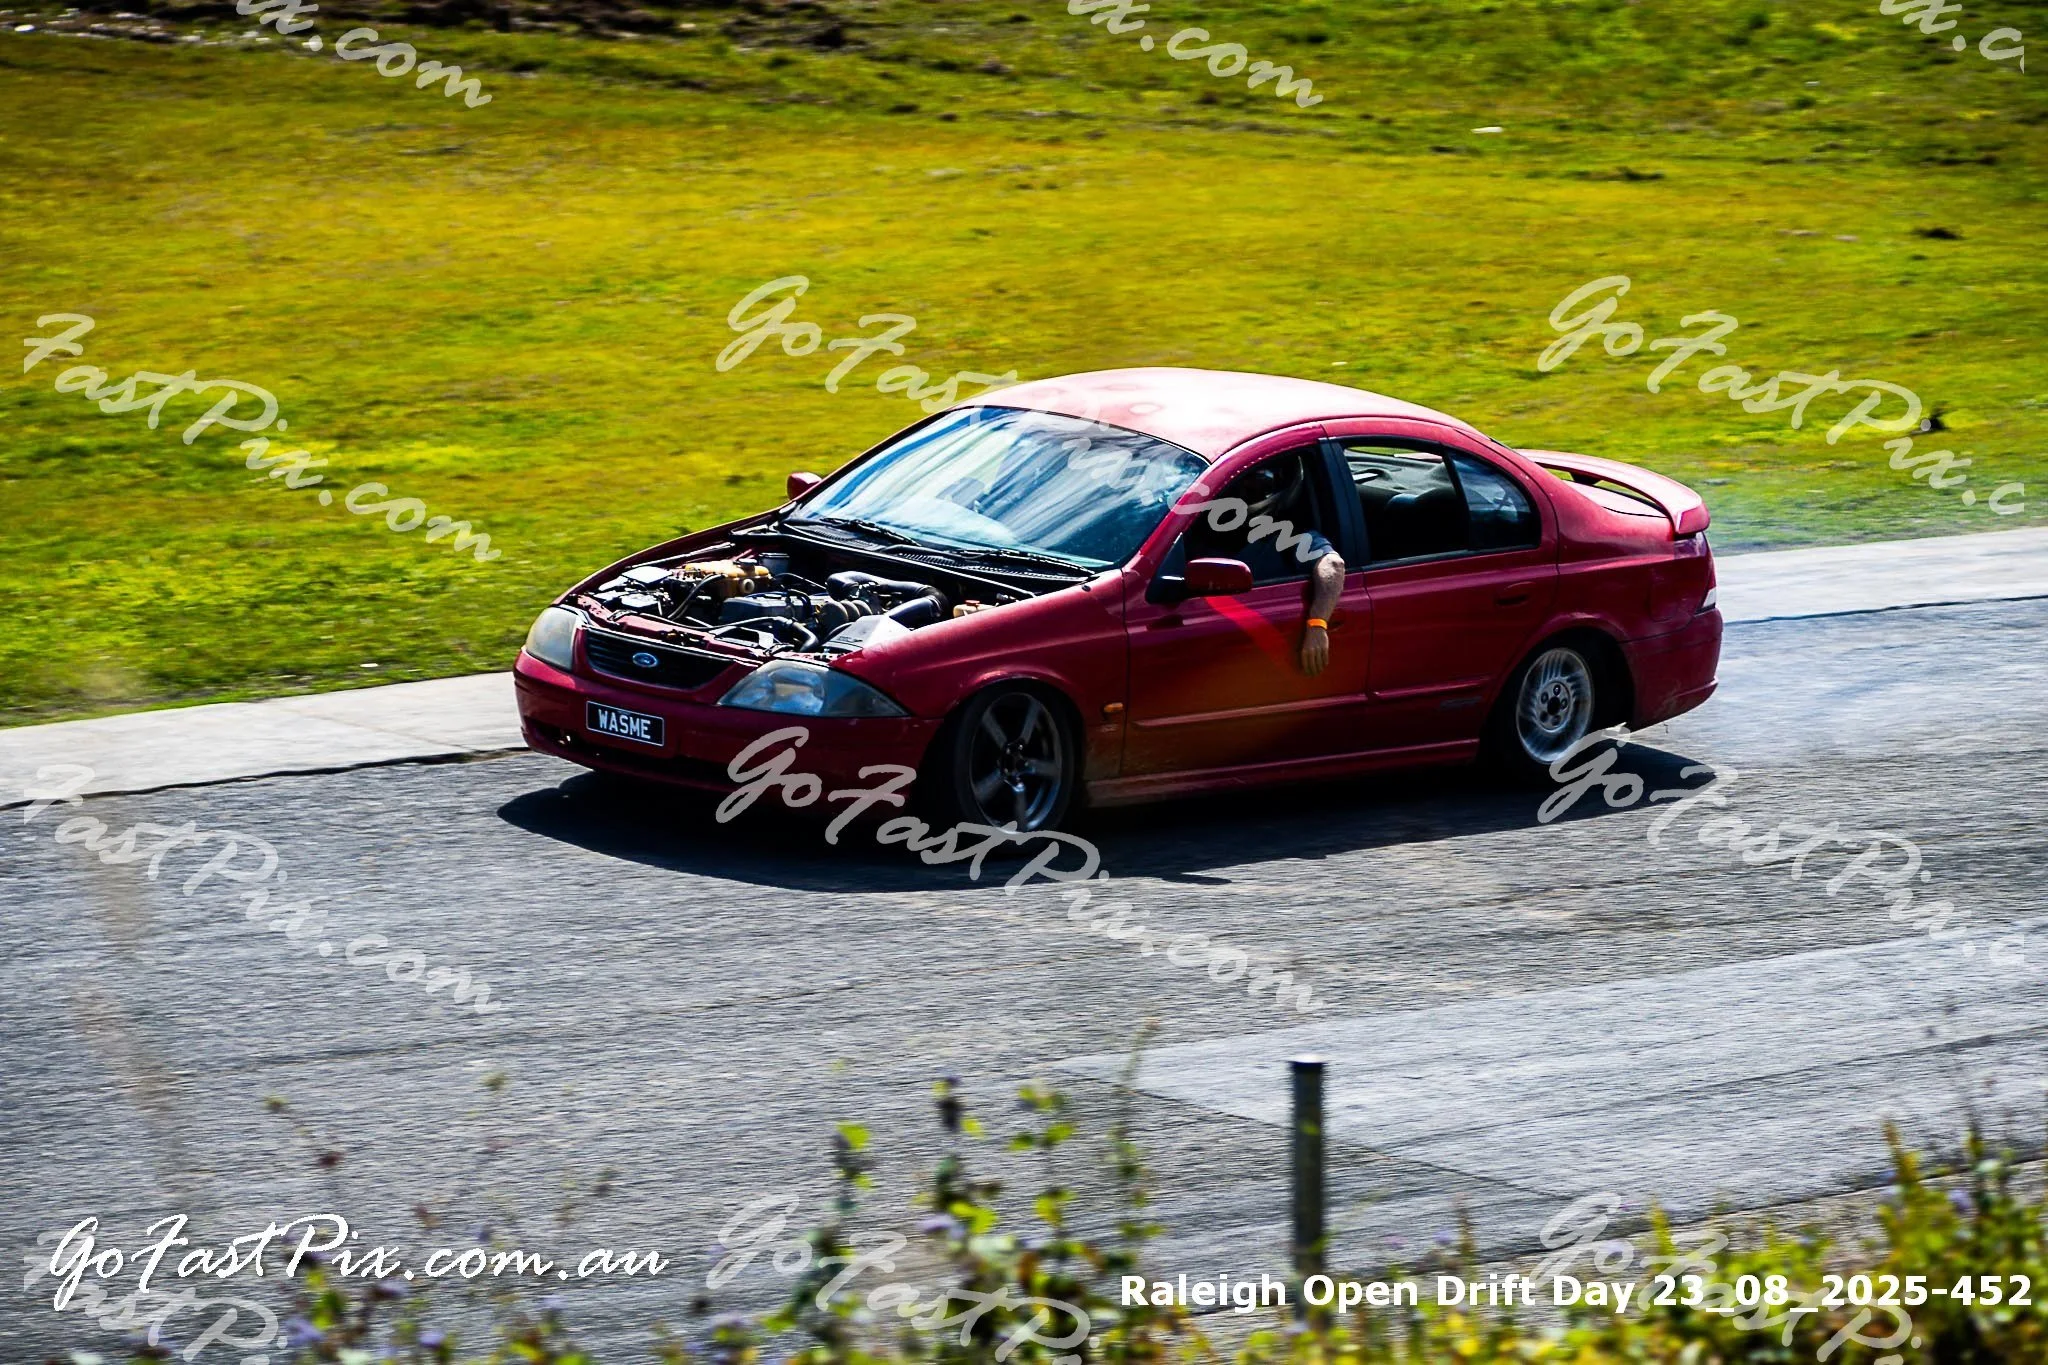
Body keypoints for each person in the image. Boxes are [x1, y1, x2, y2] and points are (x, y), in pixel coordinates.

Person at [1184, 455, 1345, 677]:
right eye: (1243, 479)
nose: (1248, 486)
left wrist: (1317, 624)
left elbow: (1333, 564)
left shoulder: (1293, 536)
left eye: (1261, 479)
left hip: (1254, 652)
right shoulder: (1209, 522)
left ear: (1280, 484)